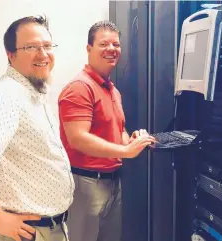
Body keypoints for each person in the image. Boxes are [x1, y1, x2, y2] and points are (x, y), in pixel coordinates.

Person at [0, 16, 74, 241]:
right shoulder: (7, 94)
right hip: (24, 233)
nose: (43, 54)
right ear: (11, 55)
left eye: (47, 46)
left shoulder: (32, 91)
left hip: (47, 228)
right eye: (30, 47)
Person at [58, 20, 155, 241]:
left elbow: (116, 132)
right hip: (86, 185)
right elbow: (78, 139)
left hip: (112, 184)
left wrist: (129, 142)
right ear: (89, 48)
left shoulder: (112, 90)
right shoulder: (79, 88)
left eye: (116, 44)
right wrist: (126, 152)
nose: (111, 49)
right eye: (104, 44)